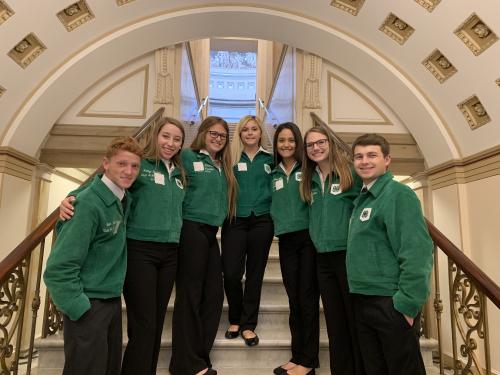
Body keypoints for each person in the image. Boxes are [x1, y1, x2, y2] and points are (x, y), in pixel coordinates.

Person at [58, 117, 186, 375]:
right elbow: (104, 186)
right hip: (140, 251)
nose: (170, 143)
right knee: (144, 324)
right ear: (155, 136)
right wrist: (71, 199)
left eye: (177, 139)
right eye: (166, 136)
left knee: (157, 323)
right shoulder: (140, 167)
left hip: (170, 252)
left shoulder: (181, 174)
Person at [44, 137, 143, 375]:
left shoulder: (121, 199)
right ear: (105, 164)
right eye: (121, 164)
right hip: (88, 305)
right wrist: (81, 310)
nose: (128, 171)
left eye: (134, 166)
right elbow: (58, 270)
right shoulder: (87, 205)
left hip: (109, 301)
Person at [347, 134, 433, 375]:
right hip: (363, 299)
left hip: (390, 302)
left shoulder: (398, 194)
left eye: (372, 155)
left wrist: (407, 304)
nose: (364, 161)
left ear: (387, 160)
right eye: (359, 156)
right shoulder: (362, 199)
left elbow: (417, 251)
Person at [169, 116, 237, 375]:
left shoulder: (222, 165)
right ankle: (186, 365)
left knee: (214, 297)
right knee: (189, 297)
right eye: (213, 133)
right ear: (203, 133)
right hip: (191, 229)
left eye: (222, 135)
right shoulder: (187, 157)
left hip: (210, 233)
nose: (218, 138)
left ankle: (197, 356)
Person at [300, 125, 364, 375]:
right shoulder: (309, 178)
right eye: (310, 145)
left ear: (330, 143)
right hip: (322, 259)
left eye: (320, 142)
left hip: (347, 257)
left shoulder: (349, 173)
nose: (315, 148)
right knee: (335, 323)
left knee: (353, 320)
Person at [271, 122, 319, 375]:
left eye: (291, 140)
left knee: (308, 300)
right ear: (276, 145)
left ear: (298, 143)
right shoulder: (273, 173)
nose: (287, 144)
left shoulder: (309, 169)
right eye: (281, 140)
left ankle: (309, 362)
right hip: (286, 241)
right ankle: (297, 355)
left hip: (308, 240)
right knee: (294, 300)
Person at [221, 115, 274, 346]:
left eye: (254, 129)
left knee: (255, 274)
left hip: (262, 221)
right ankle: (235, 317)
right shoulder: (230, 158)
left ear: (261, 133)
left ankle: (248, 324)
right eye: (245, 130)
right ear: (240, 134)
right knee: (231, 272)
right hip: (235, 220)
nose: (250, 133)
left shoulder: (271, 160)